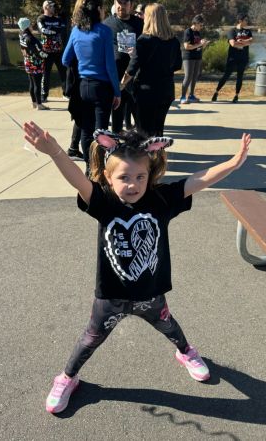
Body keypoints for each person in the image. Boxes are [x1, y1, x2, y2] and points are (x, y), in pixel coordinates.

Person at [22, 122, 252, 414]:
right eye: (124, 177)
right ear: (108, 177)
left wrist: (233, 163)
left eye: (140, 176)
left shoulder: (161, 199)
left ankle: (186, 353)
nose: (133, 184)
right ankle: (67, 377)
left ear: (150, 174)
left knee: (169, 326)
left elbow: (198, 180)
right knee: (90, 339)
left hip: (150, 294)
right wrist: (55, 151)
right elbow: (78, 181)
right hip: (111, 296)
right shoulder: (103, 201)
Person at [63, 0, 121, 170]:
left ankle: (89, 168)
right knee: (101, 131)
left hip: (82, 86)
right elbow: (110, 65)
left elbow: (65, 59)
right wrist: (117, 91)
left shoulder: (76, 30)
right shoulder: (104, 31)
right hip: (101, 87)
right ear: (98, 10)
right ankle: (98, 168)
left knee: (86, 130)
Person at [121, 3, 181, 136]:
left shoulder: (144, 40)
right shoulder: (174, 41)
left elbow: (132, 68)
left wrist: (122, 83)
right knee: (158, 131)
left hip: (146, 91)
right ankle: (158, 149)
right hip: (166, 90)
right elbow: (177, 65)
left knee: (144, 132)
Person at [103, 0, 143, 134]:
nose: (121, 6)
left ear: (131, 5)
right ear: (115, 4)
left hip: (134, 77)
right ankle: (117, 137)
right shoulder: (107, 24)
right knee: (117, 114)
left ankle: (142, 139)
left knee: (139, 117)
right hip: (115, 77)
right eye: (119, 3)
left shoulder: (139, 24)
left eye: (125, 3)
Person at [211, 13, 253, 103]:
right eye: (245, 20)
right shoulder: (232, 31)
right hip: (232, 58)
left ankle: (236, 95)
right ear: (240, 21)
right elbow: (233, 44)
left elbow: (251, 41)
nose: (247, 21)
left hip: (243, 57)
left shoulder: (248, 31)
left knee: (240, 76)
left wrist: (242, 41)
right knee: (226, 75)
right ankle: (216, 92)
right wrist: (244, 42)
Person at [37, 0, 67, 102]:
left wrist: (53, 30)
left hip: (58, 51)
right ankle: (44, 95)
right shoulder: (41, 18)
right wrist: (55, 30)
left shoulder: (58, 19)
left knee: (63, 72)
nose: (54, 8)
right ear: (46, 7)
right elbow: (43, 30)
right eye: (52, 6)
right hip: (46, 52)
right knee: (46, 74)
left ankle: (66, 93)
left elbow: (62, 28)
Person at [18, 17, 49, 110]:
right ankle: (39, 104)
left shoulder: (21, 36)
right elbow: (39, 52)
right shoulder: (31, 38)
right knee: (37, 84)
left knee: (32, 83)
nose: (32, 26)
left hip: (27, 62)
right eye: (30, 24)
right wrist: (47, 55)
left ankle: (34, 103)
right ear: (27, 26)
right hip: (35, 64)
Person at [179, 14, 208, 105]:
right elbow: (186, 46)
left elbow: (197, 46)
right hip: (189, 57)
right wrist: (200, 44)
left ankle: (191, 96)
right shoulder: (188, 31)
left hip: (197, 57)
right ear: (196, 23)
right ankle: (183, 97)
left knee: (195, 76)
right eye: (201, 25)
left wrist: (203, 44)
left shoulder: (198, 33)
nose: (202, 27)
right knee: (188, 76)